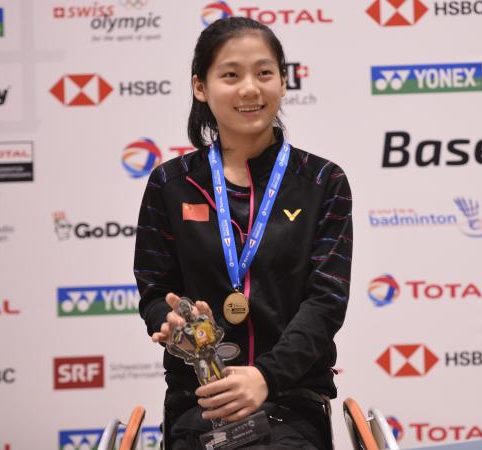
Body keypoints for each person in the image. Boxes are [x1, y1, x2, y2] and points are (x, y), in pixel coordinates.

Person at [134, 17, 352, 449]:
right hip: (200, 402)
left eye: (264, 73)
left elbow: (325, 302)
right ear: (201, 86)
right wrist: (169, 319)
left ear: (284, 82)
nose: (250, 88)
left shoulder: (323, 182)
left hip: (292, 401)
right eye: (230, 75)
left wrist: (265, 377)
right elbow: (154, 292)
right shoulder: (170, 183)